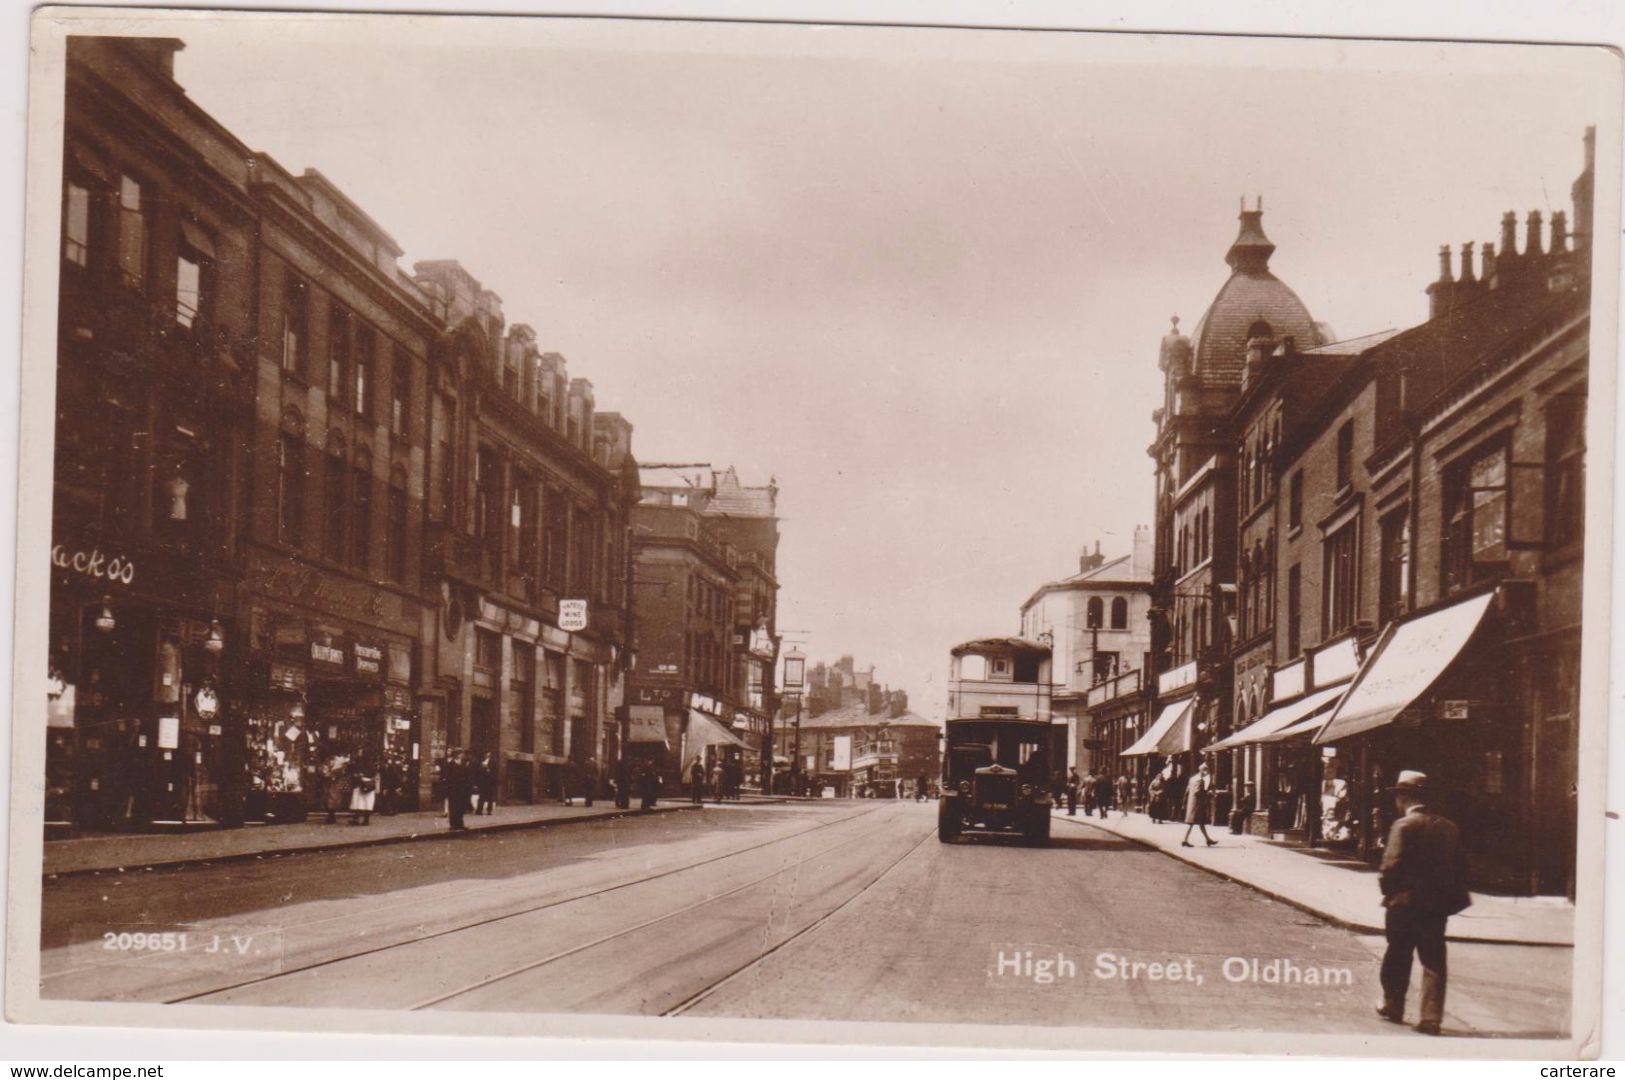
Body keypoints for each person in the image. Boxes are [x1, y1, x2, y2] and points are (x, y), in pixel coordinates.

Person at [1376, 770, 1470, 1036]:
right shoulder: (1449, 827)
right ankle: (1431, 1018)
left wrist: (1390, 892)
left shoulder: (1403, 826)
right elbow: (1462, 867)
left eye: (1397, 796)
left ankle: (1393, 1005)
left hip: (1404, 904)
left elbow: (1390, 866)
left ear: (1403, 797)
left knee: (1397, 955)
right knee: (1433, 960)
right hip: (1436, 906)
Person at [1181, 761, 1218, 847]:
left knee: (1200, 823)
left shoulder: (1192, 779)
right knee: (1191, 823)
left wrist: (1184, 802)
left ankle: (1208, 840)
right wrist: (1208, 793)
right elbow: (1198, 793)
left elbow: (1187, 791)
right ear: (1201, 770)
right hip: (1197, 805)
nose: (1207, 772)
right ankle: (1185, 840)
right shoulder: (1200, 780)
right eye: (1206, 770)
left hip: (1191, 804)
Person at [444, 750, 472, 832]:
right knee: (454, 808)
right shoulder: (450, 765)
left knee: (460, 808)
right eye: (461, 754)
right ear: (457, 756)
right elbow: (449, 779)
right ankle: (453, 825)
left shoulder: (462, 765)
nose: (463, 756)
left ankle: (460, 824)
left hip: (462, 791)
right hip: (454, 791)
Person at [348, 757, 377, 825]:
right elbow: (374, 774)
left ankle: (356, 819)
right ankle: (366, 820)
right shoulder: (373, 765)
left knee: (358, 802)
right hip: (369, 785)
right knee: (368, 802)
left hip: (360, 784)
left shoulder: (359, 764)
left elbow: (356, 774)